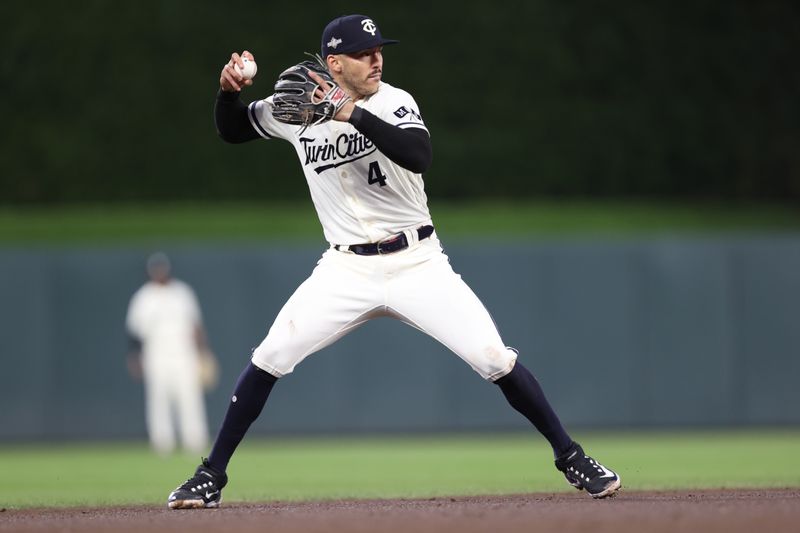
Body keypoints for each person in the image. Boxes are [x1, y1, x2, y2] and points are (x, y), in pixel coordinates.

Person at [167, 14, 620, 509]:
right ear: (334, 62)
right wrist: (228, 92)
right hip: (345, 269)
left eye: (379, 48)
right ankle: (210, 476)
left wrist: (350, 113)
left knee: (494, 357)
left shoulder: (394, 100)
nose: (376, 58)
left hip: (418, 262)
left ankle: (571, 456)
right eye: (364, 52)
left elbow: (418, 153)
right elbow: (232, 131)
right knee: (271, 356)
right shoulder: (297, 105)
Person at [127, 252, 215, 455]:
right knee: (158, 399)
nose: (159, 272)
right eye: (155, 269)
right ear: (150, 272)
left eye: (162, 268)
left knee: (189, 397)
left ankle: (195, 441)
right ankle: (162, 442)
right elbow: (134, 332)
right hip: (156, 355)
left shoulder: (182, 293)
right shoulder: (144, 297)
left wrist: (203, 353)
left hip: (184, 354)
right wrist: (135, 357)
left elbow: (196, 327)